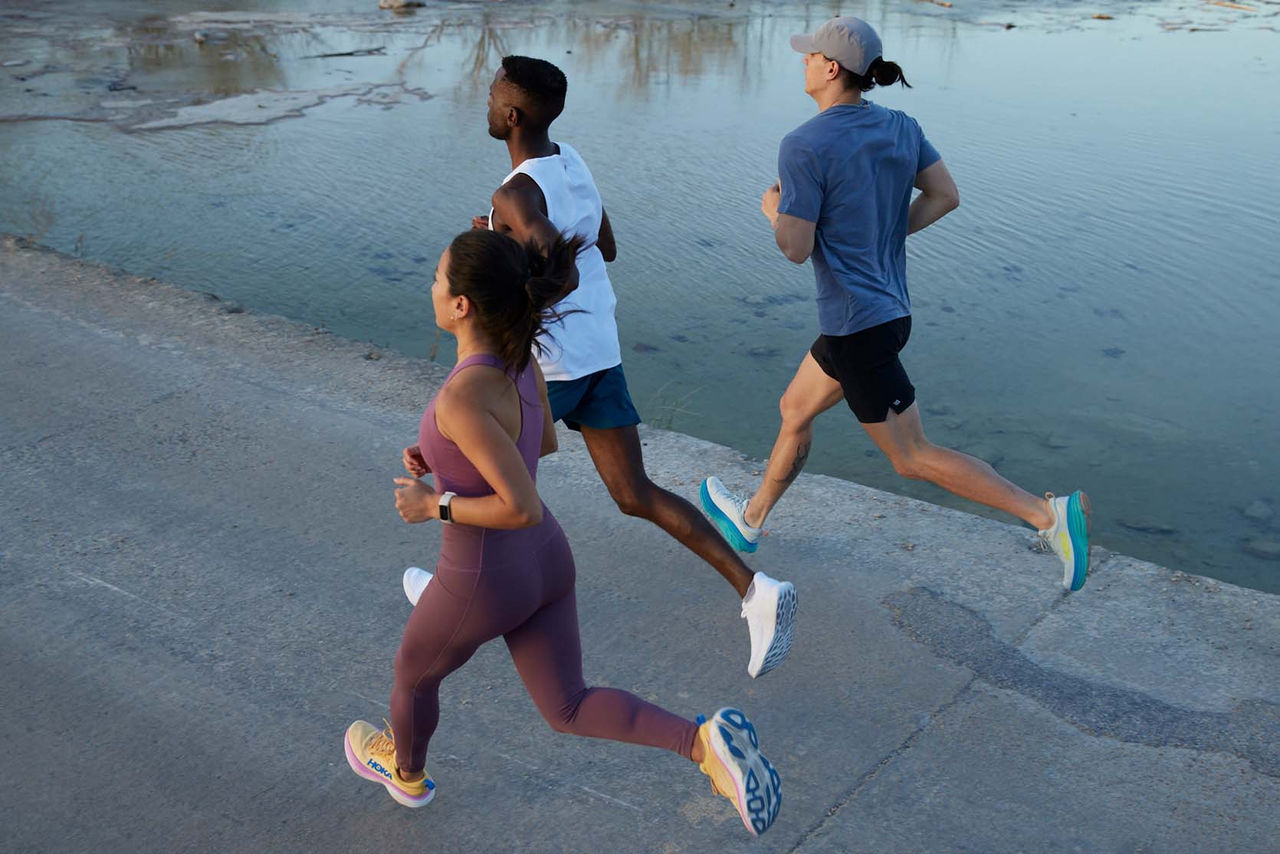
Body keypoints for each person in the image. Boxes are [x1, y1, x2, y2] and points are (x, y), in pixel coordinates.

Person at [344, 229, 781, 837]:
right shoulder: (519, 362)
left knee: (413, 674)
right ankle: (704, 745)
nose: (433, 286)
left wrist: (434, 504)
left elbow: (516, 503)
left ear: (462, 304)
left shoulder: (461, 397)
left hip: (483, 579)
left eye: (438, 278)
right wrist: (443, 456)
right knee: (567, 705)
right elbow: (538, 442)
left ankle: (406, 774)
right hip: (545, 562)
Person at [404, 55, 796, 678]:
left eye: (490, 98)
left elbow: (556, 264)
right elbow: (603, 245)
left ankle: (458, 596)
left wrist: (514, 264)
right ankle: (756, 591)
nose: (484, 105)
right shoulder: (573, 161)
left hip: (549, 363)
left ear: (510, 115)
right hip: (601, 352)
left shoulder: (513, 190)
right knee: (633, 493)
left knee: (482, 465)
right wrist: (508, 244)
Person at [700, 17, 1091, 592]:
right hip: (883, 314)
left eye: (809, 56)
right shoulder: (902, 126)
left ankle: (1048, 515)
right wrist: (884, 234)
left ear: (831, 69)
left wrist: (770, 210)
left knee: (912, 456)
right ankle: (751, 520)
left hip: (858, 327)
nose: (803, 62)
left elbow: (794, 247)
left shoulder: (804, 144)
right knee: (794, 410)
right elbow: (945, 196)